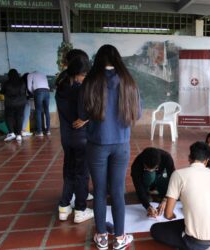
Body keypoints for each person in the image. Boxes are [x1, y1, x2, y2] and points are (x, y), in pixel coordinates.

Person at [79, 44, 141, 250]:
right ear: (117, 59)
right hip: (121, 144)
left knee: (99, 190)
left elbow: (83, 113)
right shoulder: (129, 82)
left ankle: (102, 237)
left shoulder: (90, 81)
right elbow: (137, 114)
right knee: (117, 191)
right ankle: (121, 238)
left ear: (97, 60)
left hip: (97, 144)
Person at [150, 141, 210, 250]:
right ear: (206, 161)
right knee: (188, 223)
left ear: (189, 158)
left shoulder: (178, 175)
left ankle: (197, 246)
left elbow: (168, 214)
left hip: (196, 241)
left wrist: (173, 216)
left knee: (155, 229)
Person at [55, 52, 94, 224]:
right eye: (83, 74)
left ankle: (64, 207)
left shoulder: (61, 85)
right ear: (76, 73)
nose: (84, 78)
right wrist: (87, 117)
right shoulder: (80, 90)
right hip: (81, 138)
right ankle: (80, 209)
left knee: (69, 171)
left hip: (66, 137)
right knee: (82, 174)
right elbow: (88, 110)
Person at [130, 147, 175, 217]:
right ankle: (148, 190)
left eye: (155, 168)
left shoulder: (166, 157)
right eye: (147, 168)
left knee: (176, 195)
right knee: (150, 176)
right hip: (147, 181)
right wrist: (148, 206)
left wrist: (165, 199)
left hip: (161, 177)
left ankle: (159, 190)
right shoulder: (136, 165)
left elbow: (174, 180)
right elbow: (138, 186)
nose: (151, 170)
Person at [1, 69, 27, 142]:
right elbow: (23, 91)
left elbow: (2, 91)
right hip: (21, 103)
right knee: (19, 117)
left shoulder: (6, 83)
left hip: (10, 103)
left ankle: (11, 133)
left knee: (9, 117)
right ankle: (18, 135)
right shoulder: (22, 82)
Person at [27, 71, 50, 136]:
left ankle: (39, 132)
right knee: (46, 111)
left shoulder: (30, 74)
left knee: (38, 111)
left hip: (38, 91)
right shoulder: (43, 74)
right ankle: (48, 131)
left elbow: (29, 87)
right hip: (47, 91)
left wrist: (33, 93)